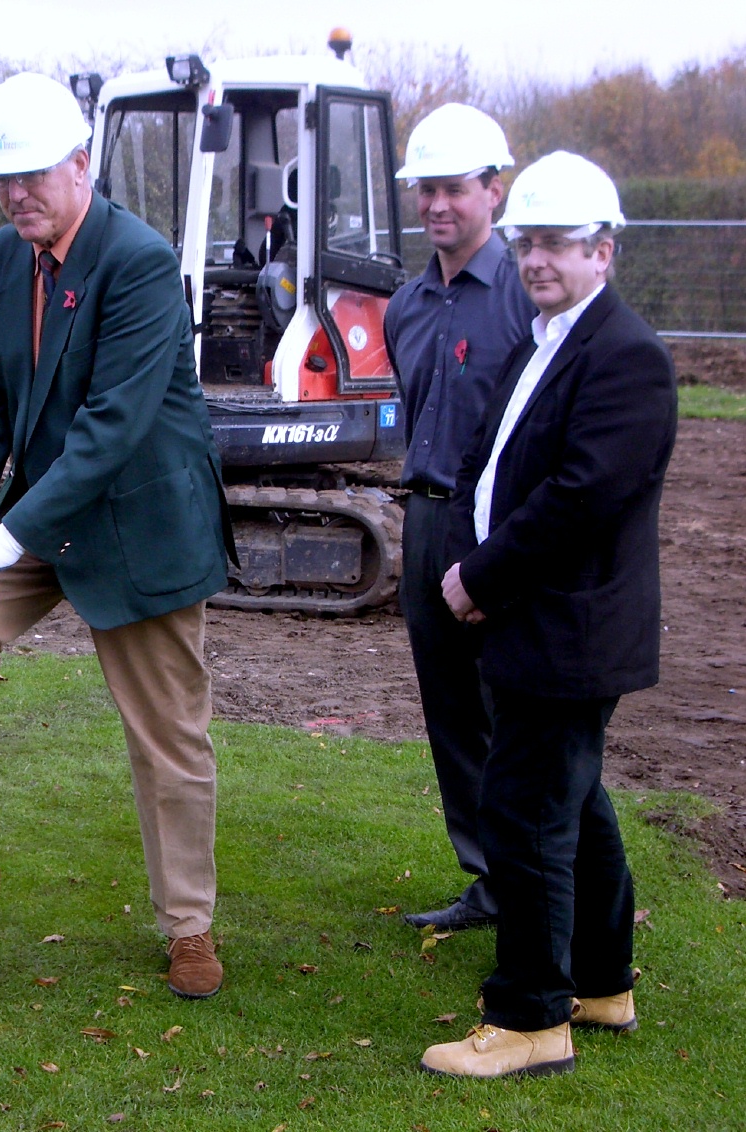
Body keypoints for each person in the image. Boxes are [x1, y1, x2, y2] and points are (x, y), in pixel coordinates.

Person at [0, 73, 234, 998]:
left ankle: (189, 925)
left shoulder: (135, 262)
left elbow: (113, 425)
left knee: (168, 734)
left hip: (138, 523)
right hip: (35, 522)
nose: (15, 193)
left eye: (31, 175)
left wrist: (9, 533)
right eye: (1, 179)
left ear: (80, 164)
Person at [421, 152, 676, 1078]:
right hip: (532, 616)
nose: (536, 260)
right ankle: (602, 983)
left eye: (558, 245)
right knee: (573, 798)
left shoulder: (627, 357)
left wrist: (479, 577)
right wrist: (461, 552)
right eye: (527, 243)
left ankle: (531, 1017)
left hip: (568, 623)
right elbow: (487, 468)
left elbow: (579, 500)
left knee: (524, 809)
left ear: (603, 252)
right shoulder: (547, 337)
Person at [385, 104, 536, 932]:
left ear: (494, 190)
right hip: (424, 520)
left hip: (499, 531)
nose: (438, 205)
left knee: (513, 710)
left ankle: (536, 881)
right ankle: (488, 879)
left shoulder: (525, 300)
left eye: (454, 189)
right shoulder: (407, 306)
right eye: (427, 190)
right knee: (450, 709)